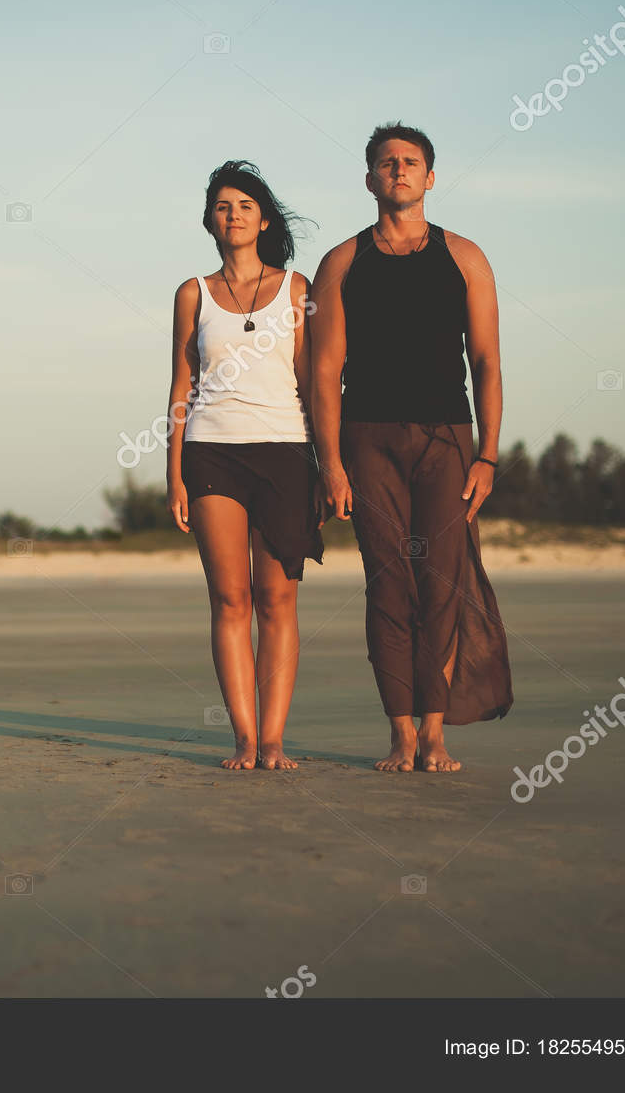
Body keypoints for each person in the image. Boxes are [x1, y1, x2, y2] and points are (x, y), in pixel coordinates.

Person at [309, 122, 514, 773]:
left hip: (446, 439)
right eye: (386, 162)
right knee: (388, 584)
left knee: (441, 584)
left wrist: (488, 454)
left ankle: (434, 732)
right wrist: (331, 463)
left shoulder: (467, 257)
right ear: (369, 179)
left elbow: (486, 361)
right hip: (367, 439)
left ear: (430, 178)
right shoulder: (341, 262)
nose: (398, 170)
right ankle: (400, 734)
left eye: (411, 162)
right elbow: (323, 370)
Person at [166, 160, 322, 771]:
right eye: (223, 206)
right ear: (210, 219)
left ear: (263, 220)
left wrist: (327, 465)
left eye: (245, 206)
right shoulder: (193, 293)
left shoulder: (298, 289)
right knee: (230, 600)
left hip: (286, 453)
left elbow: (312, 383)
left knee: (277, 601)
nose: (234, 215)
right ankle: (245, 739)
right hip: (212, 452)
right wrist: (173, 471)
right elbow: (182, 384)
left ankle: (276, 738)